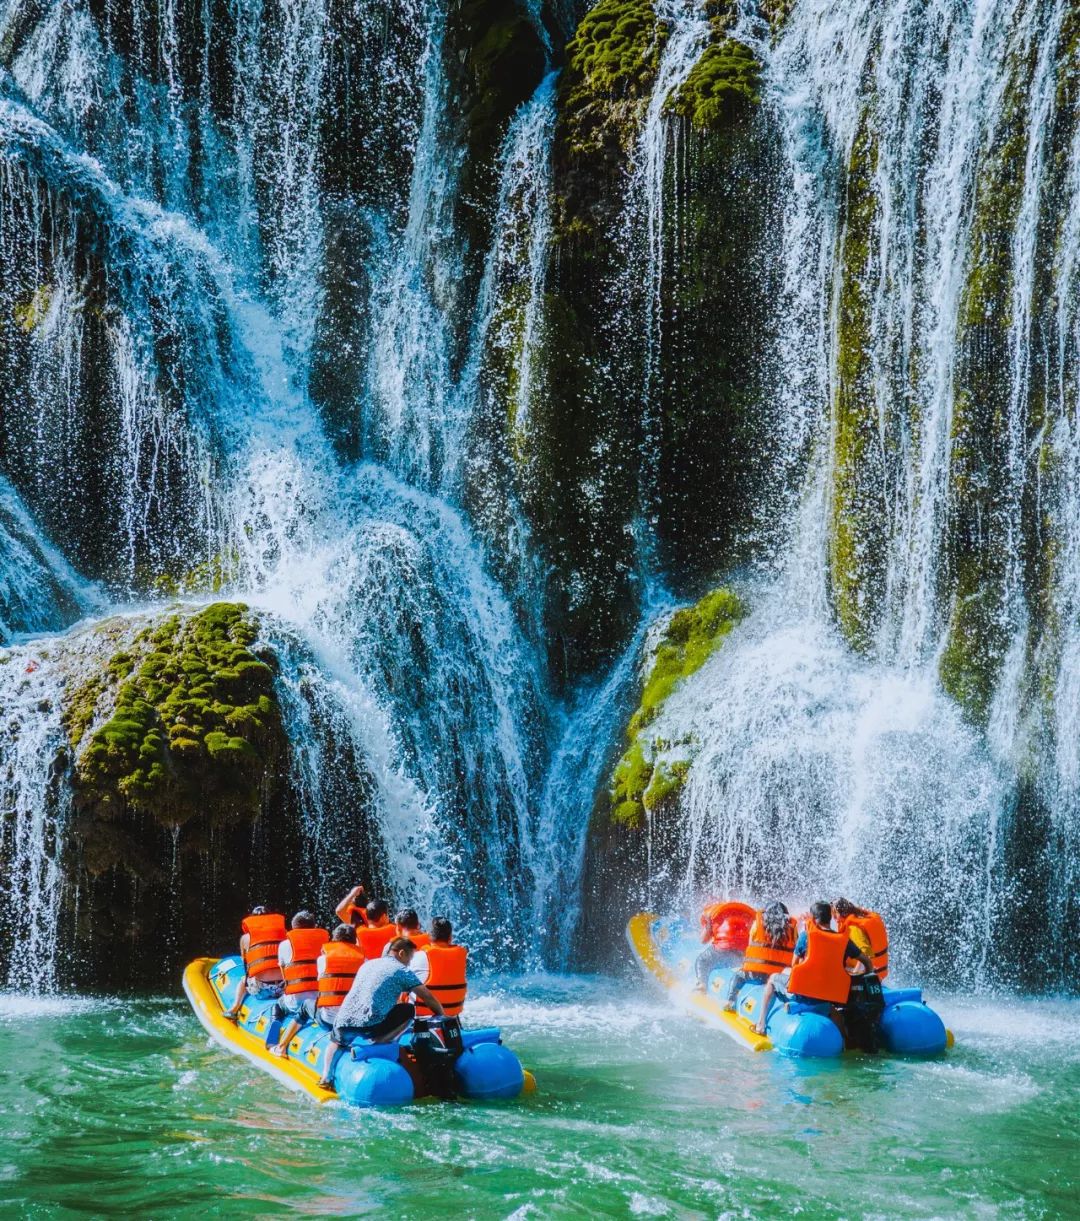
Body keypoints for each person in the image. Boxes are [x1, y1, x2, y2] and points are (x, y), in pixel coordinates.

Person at [318, 938, 445, 1090]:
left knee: (336, 1042)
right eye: (409, 959)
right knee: (408, 1009)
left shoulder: (367, 964)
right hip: (371, 1026)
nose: (409, 964)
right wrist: (441, 1016)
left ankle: (326, 1076)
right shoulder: (401, 970)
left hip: (343, 1022)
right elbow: (427, 997)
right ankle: (379, 1042)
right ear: (402, 953)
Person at [752, 901, 872, 1036]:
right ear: (830, 918)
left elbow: (794, 965)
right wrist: (859, 977)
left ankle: (760, 1024)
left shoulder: (806, 936)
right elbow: (867, 962)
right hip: (830, 996)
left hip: (804, 993)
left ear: (814, 920)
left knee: (773, 979)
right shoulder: (844, 940)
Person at [272, 924, 365, 1058]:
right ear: (355, 941)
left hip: (328, 1020)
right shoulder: (364, 961)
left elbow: (322, 982)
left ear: (333, 940)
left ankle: (281, 1047)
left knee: (305, 1006)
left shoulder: (322, 960)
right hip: (353, 1022)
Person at [269, 910, 329, 1057]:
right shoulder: (327, 945)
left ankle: (273, 1039)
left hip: (295, 1003)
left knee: (278, 1004)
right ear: (314, 927)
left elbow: (285, 977)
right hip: (319, 1003)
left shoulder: (284, 945)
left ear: (293, 928)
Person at [722, 901, 796, 1013]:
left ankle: (730, 1002)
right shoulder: (792, 929)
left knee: (738, 976)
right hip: (777, 977)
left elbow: (751, 944)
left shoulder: (758, 923)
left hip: (756, 975)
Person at [224, 906, 287, 1021]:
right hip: (284, 988)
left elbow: (246, 963)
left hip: (262, 990)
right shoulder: (284, 935)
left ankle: (234, 1008)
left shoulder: (245, 938)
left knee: (243, 980)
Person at [414, 917, 467, 1018]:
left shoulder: (419, 956)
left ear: (428, 936)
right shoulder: (462, 956)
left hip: (423, 1017)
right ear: (450, 937)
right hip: (452, 1015)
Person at [694, 902, 753, 992]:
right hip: (743, 952)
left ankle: (702, 985)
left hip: (723, 948)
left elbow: (703, 940)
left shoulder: (710, 914)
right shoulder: (747, 914)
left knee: (702, 960)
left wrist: (708, 925)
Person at [833, 898, 889, 979]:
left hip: (871, 976)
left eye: (835, 914)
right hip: (877, 972)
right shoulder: (857, 916)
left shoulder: (853, 928)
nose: (834, 918)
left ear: (842, 913)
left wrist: (855, 973)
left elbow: (866, 953)